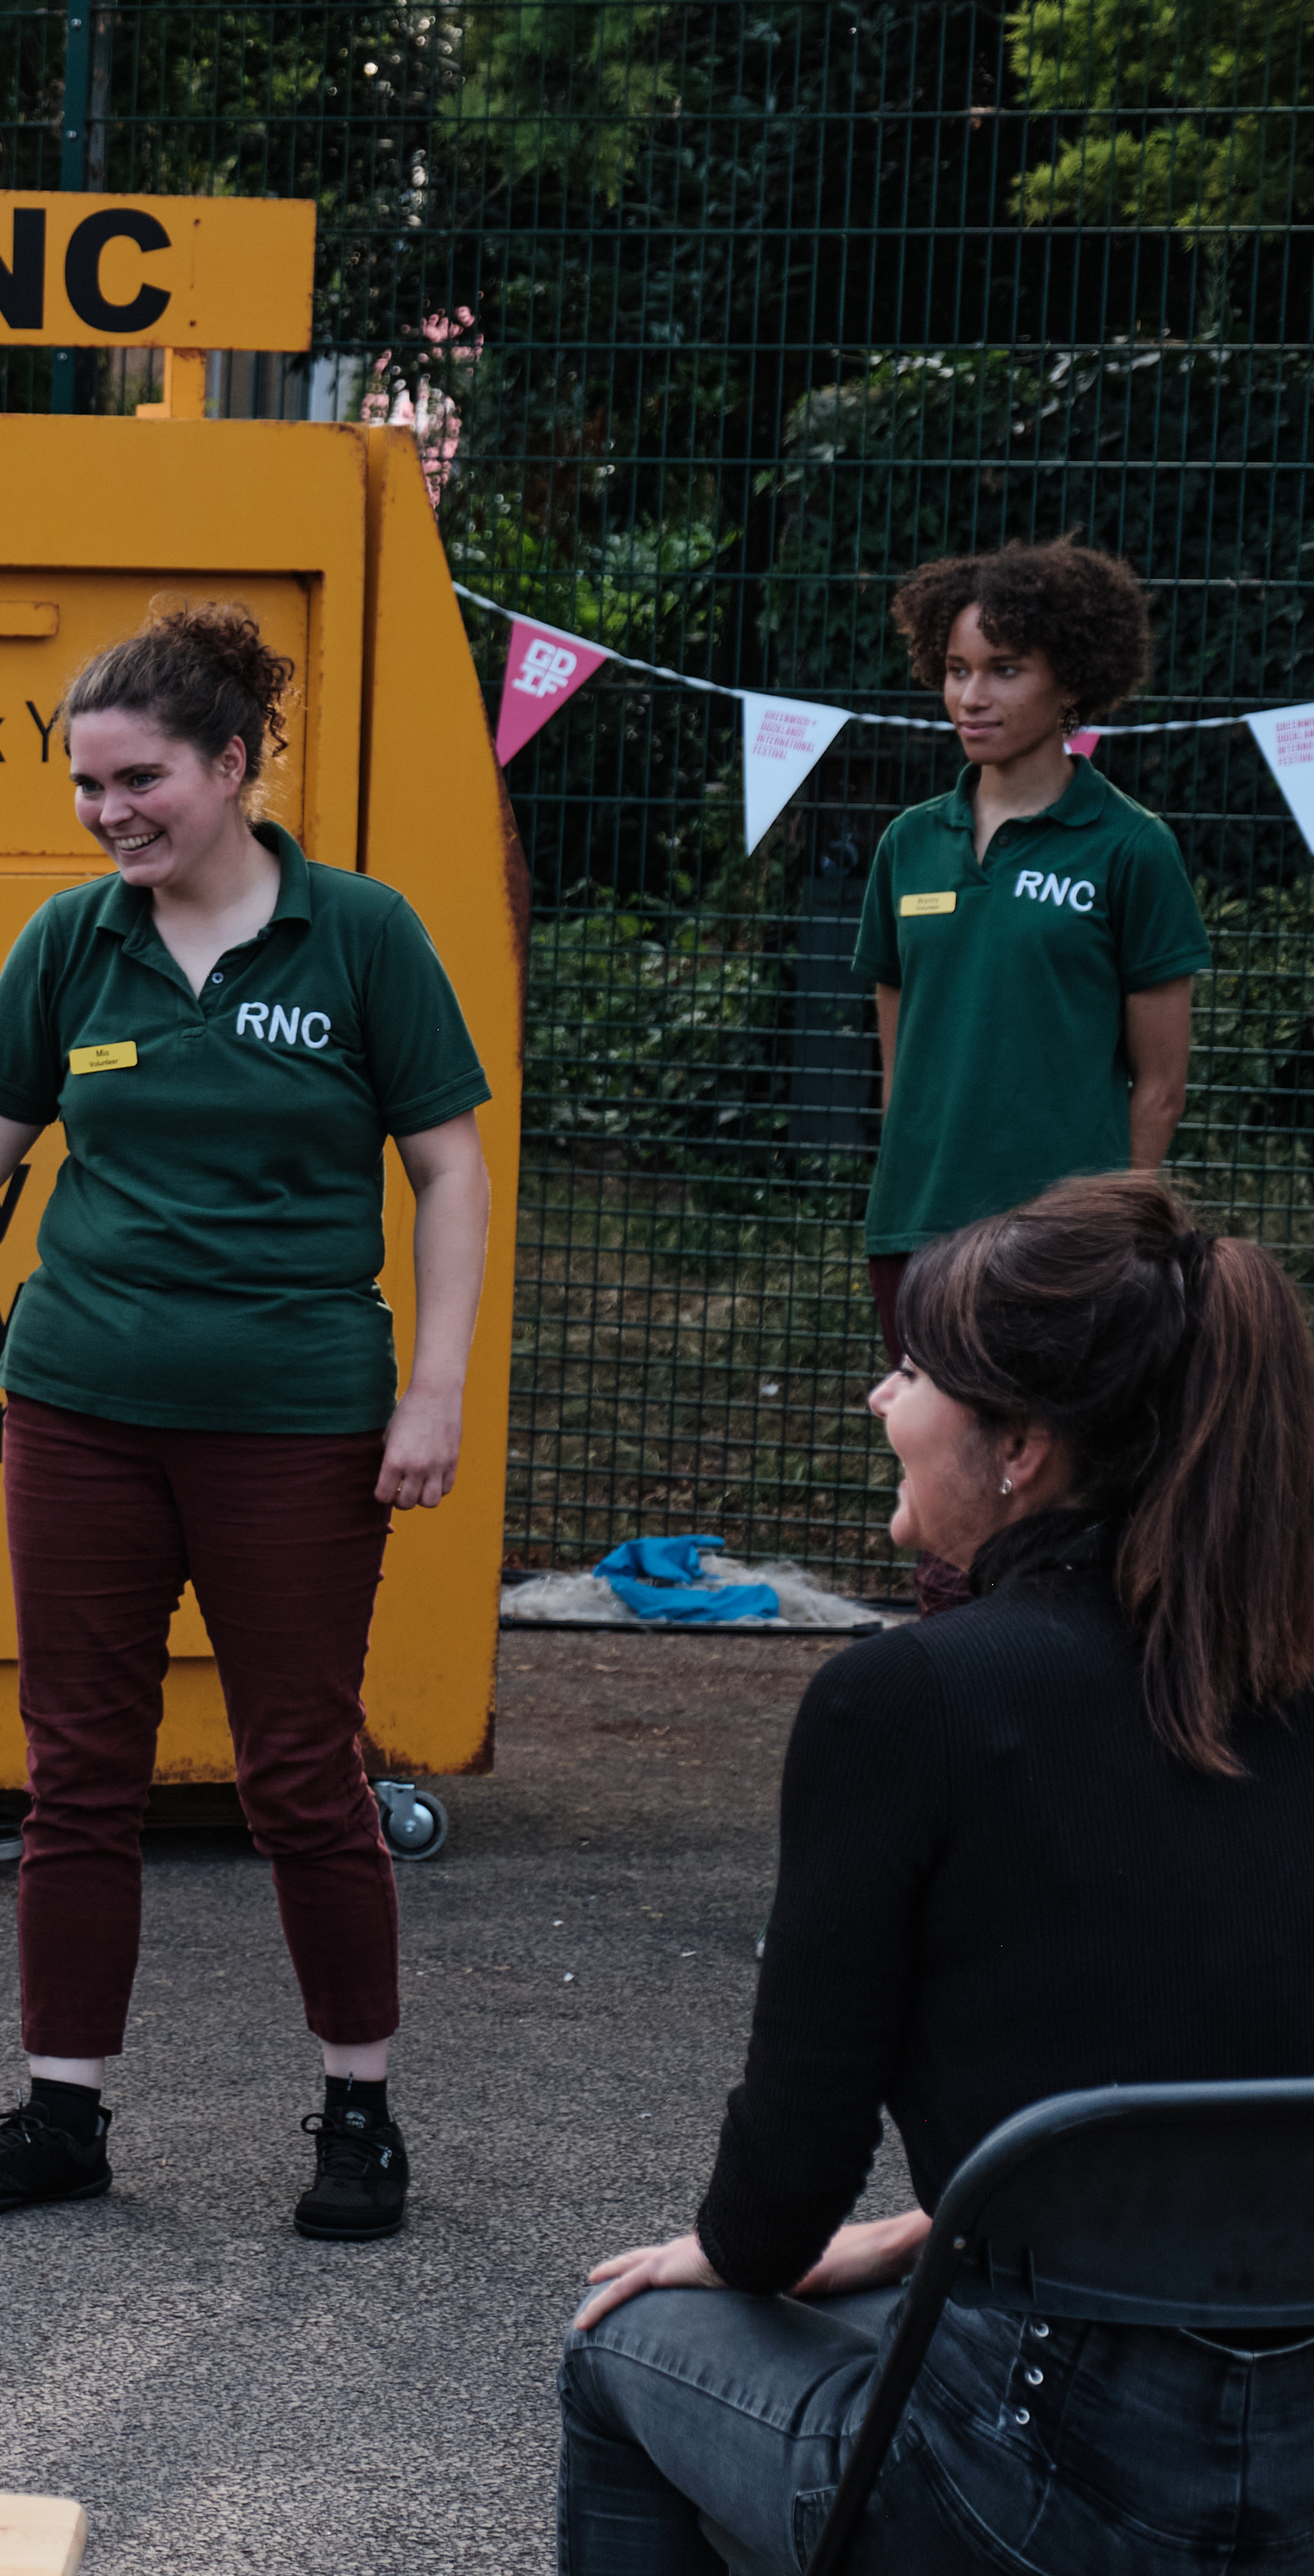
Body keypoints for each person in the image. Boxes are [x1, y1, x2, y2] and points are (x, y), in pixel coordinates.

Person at [0, 602, 493, 2242]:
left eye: (135, 777)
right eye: (82, 783)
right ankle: (60, 2108)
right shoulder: (73, 941)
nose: (105, 809)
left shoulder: (360, 935)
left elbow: (445, 1167)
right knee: (78, 1770)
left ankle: (357, 2108)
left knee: (297, 1767)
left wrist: (431, 1388)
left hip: (294, 1416)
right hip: (81, 1404)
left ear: (230, 764)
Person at [563, 1171, 1314, 2574]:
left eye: (909, 1366)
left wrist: (738, 2245)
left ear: (1019, 1445)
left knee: (623, 2340)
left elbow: (786, 2176)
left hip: (1040, 2474)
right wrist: (926, 2223)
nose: (876, 1399)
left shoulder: (904, 1700)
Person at [859, 539, 1204, 1613]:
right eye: (957, 668)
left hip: (1058, 1243)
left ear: (1070, 680)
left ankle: (1050, 1701)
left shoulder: (1129, 849)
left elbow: (1159, 1083)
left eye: (1003, 668)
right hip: (915, 1229)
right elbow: (894, 1051)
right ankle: (950, 1707)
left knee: (1060, 1497)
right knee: (941, 1498)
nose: (972, 694)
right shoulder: (907, 846)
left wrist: (1117, 1231)